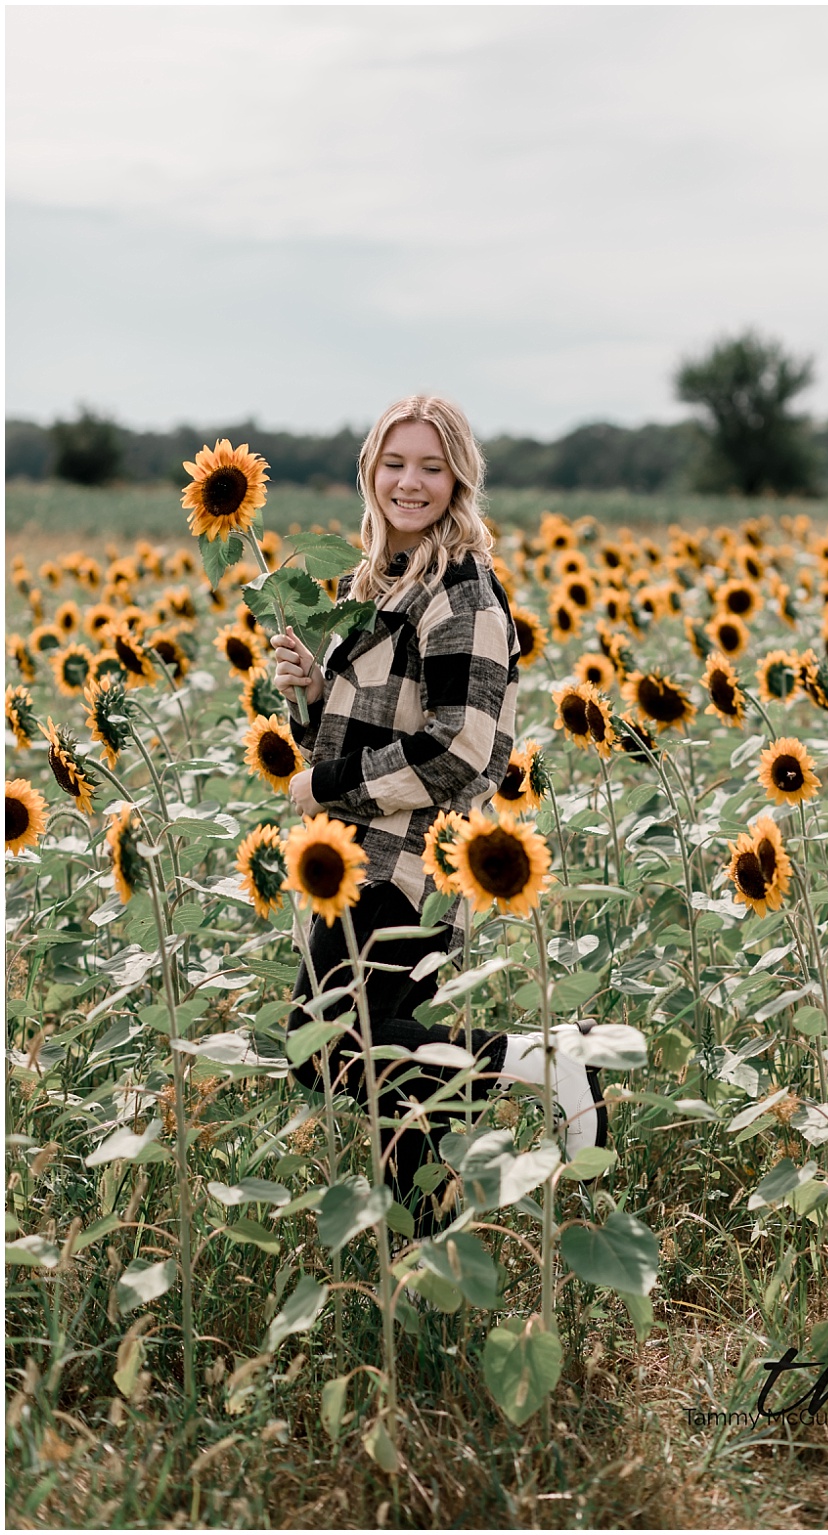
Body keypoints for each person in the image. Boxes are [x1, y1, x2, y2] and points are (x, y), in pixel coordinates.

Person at [270, 394, 529, 1226]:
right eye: (394, 463)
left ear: (459, 478)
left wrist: (330, 784)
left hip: (409, 867)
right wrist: (310, 694)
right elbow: (344, 736)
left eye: (429, 465)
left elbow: (464, 751)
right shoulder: (371, 584)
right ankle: (429, 1258)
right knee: (394, 1081)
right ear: (370, 470)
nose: (408, 483)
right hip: (356, 858)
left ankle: (533, 1060)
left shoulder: (463, 594)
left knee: (333, 1048)